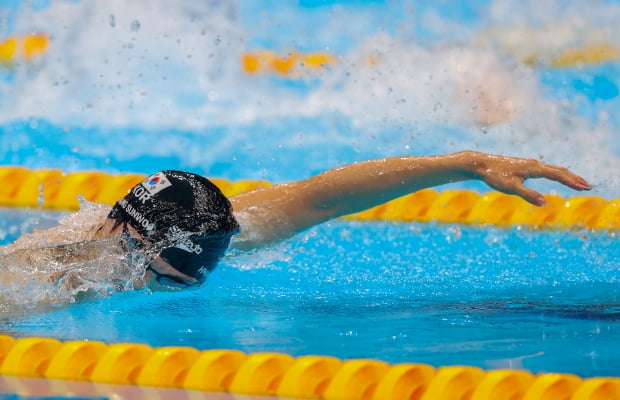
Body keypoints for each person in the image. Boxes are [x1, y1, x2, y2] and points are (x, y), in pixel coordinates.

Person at [0, 151, 592, 292]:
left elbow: (322, 198)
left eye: (214, 249)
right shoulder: (48, 278)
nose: (208, 265)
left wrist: (469, 164)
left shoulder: (221, 225)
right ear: (127, 237)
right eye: (185, 257)